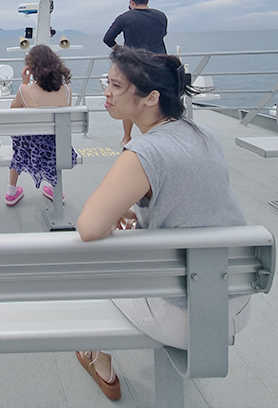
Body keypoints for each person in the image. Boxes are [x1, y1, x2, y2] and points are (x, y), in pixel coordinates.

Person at [73, 45, 249, 402]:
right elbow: (194, 201)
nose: (105, 92)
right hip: (235, 302)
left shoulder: (144, 152)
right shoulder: (203, 135)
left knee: (93, 262)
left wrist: (116, 220)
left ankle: (100, 360)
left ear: (150, 97)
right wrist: (140, 212)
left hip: (188, 316)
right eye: (108, 82)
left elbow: (89, 227)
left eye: (116, 86)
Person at [5, 45, 79, 205]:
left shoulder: (26, 90)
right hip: (57, 146)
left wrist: (24, 83)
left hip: (29, 148)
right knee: (53, 138)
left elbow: (14, 110)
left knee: (18, 140)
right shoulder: (67, 90)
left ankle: (11, 190)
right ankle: (55, 189)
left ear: (32, 68)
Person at [102, 0, 168, 146]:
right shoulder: (161, 16)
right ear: (147, 0)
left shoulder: (125, 17)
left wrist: (120, 50)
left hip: (134, 65)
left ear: (131, 1)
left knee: (128, 99)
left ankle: (127, 137)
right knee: (158, 99)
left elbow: (108, 39)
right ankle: (160, 133)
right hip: (159, 64)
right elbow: (162, 34)